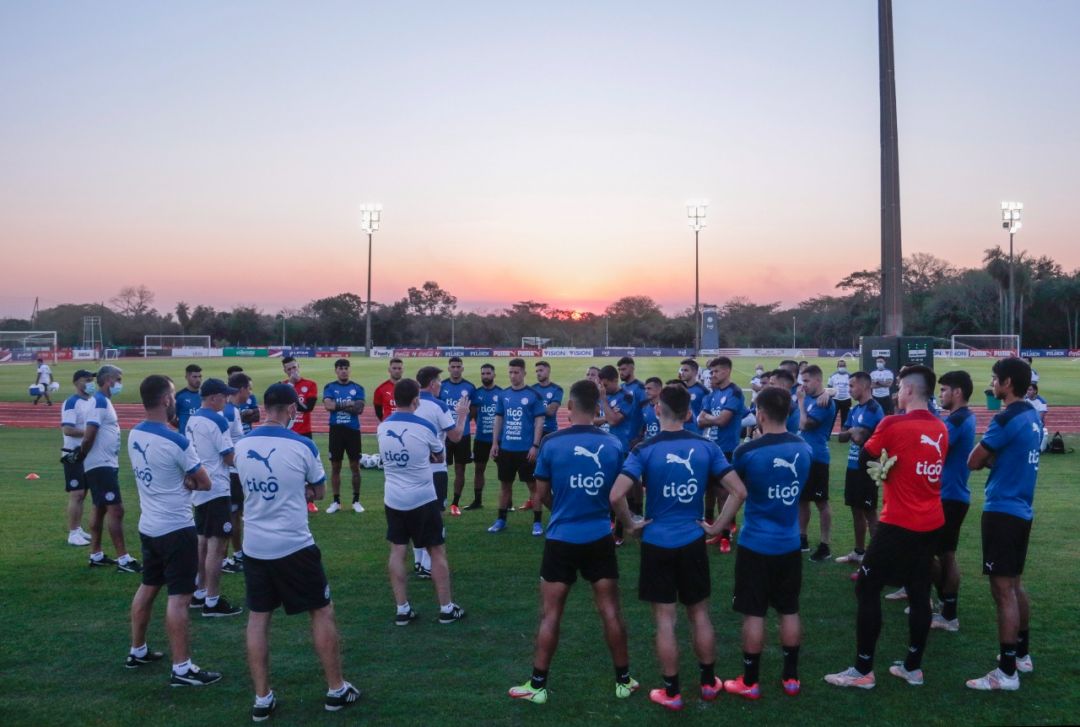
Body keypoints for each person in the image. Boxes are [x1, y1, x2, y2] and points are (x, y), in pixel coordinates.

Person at [610, 384, 747, 711]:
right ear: (689, 413)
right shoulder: (706, 446)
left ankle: (672, 692)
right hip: (692, 541)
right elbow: (739, 491)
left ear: (658, 410)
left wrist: (631, 524)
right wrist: (717, 526)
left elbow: (615, 495)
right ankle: (708, 683)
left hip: (657, 542)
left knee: (665, 620)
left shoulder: (644, 449)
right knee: (699, 614)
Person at [235, 383, 360, 720]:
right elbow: (319, 491)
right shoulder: (302, 445)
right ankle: (336, 689)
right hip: (294, 544)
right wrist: (297, 489)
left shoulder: (241, 445)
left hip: (255, 546)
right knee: (321, 610)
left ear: (265, 408)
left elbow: (245, 486)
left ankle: (262, 697)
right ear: (292, 409)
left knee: (259, 618)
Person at [508, 380, 638, 704]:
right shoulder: (612, 443)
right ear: (597, 408)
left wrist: (563, 509)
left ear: (569, 407)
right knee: (610, 610)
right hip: (599, 536)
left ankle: (538, 685)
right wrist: (626, 522)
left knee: (551, 614)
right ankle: (624, 681)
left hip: (561, 538)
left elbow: (541, 495)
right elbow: (618, 493)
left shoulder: (551, 443)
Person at [825, 365, 946, 689]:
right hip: (931, 520)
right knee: (919, 591)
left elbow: (866, 454)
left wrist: (885, 468)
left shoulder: (893, 423)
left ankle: (863, 670)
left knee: (866, 587)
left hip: (898, 522)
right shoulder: (940, 427)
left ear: (909, 390)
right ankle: (913, 668)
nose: (896, 394)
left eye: (899, 388)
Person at [708, 386, 810, 699]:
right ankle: (791, 678)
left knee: (754, 613)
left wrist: (717, 526)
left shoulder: (747, 451)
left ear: (760, 415)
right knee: (789, 609)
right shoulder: (803, 448)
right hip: (789, 543)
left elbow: (734, 492)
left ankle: (750, 682)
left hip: (756, 544)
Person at [126, 374, 222, 686]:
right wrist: (189, 481)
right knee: (179, 598)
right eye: (172, 395)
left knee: (148, 586)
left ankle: (137, 649)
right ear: (166, 400)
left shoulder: (134, 433)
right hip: (176, 528)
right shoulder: (177, 441)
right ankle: (182, 668)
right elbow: (205, 482)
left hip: (149, 526)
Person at [965, 357, 1041, 691]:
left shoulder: (1006, 417)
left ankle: (1007, 672)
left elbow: (973, 460)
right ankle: (1021, 655)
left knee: (1002, 590)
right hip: (1021, 509)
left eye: (995, 378)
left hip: (1002, 511)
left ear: (1008, 383)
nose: (992, 384)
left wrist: (988, 459)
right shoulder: (1031, 414)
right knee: (1015, 584)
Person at [377, 378, 466, 627]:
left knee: (397, 550)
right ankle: (446, 608)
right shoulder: (424, 426)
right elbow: (439, 454)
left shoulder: (383, 427)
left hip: (393, 498)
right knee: (436, 550)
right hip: (423, 498)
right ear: (416, 400)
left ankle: (402, 609)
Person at [65, 365, 140, 572]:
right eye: (119, 379)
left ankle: (96, 555)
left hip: (105, 463)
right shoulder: (99, 401)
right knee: (116, 509)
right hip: (101, 465)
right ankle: (123, 559)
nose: (120, 384)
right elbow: (89, 434)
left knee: (99, 509)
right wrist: (82, 454)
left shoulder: (101, 401)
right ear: (108, 381)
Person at [185, 378, 243, 617]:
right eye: (224, 396)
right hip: (217, 487)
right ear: (214, 397)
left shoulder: (192, 419)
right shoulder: (217, 420)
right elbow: (228, 456)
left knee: (202, 541)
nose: (227, 400)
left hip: (200, 487)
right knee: (216, 546)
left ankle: (199, 592)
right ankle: (212, 600)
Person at [931, 370, 976, 632]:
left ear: (957, 392)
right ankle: (945, 606)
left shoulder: (958, 420)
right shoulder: (961, 417)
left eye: (944, 390)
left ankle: (948, 614)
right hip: (949, 495)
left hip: (950, 497)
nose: (940, 395)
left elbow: (935, 448)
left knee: (942, 555)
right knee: (940, 553)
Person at [415, 366, 469, 577]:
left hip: (414, 469)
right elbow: (456, 436)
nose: (441, 385)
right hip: (436, 469)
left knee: (416, 514)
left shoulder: (410, 404)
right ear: (432, 384)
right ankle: (428, 565)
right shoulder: (439, 406)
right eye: (439, 381)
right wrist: (462, 415)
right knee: (435, 516)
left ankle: (419, 561)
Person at [488, 358, 547, 535]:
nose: (513, 376)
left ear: (524, 373)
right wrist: (495, 443)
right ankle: (501, 520)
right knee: (505, 486)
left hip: (526, 450)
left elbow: (539, 422)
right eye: (510, 372)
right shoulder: (503, 395)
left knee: (533, 487)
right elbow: (498, 419)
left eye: (516, 372)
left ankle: (537, 523)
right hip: (506, 449)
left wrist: (535, 445)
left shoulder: (534, 395)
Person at [834, 372, 884, 566]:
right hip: (853, 466)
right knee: (856, 510)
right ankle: (859, 551)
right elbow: (842, 437)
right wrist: (853, 431)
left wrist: (854, 432)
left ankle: (877, 557)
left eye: (852, 386)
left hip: (868, 468)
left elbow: (859, 438)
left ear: (864, 386)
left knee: (870, 512)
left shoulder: (873, 409)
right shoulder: (855, 409)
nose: (849, 390)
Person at [697, 357, 745, 552]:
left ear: (726, 371)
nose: (712, 375)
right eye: (711, 372)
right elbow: (700, 420)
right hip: (711, 449)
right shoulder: (712, 394)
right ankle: (715, 530)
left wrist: (710, 418)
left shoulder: (735, 392)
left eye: (716, 371)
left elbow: (723, 421)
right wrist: (713, 418)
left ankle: (725, 536)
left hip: (727, 450)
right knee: (710, 490)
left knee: (724, 494)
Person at [797, 365, 836, 562]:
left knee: (821, 502)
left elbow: (804, 424)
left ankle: (825, 545)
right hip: (803, 457)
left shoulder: (824, 402)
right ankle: (802, 538)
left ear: (818, 380)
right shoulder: (812, 397)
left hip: (817, 458)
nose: (803, 385)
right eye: (802, 381)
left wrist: (801, 402)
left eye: (806, 381)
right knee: (802, 500)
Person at [323, 359, 366, 514]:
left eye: (346, 368)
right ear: (336, 370)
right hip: (336, 431)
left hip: (353, 431)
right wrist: (349, 404)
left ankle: (356, 501)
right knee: (336, 467)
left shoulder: (358, 388)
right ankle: (336, 502)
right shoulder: (330, 387)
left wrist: (338, 406)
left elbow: (358, 409)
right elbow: (328, 406)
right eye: (341, 368)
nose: (344, 371)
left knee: (355, 466)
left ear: (349, 370)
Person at [60, 369, 96, 546]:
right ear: (76, 382)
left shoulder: (91, 402)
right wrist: (90, 432)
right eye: (86, 380)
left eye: (91, 380)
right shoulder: (72, 402)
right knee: (77, 494)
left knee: (83, 493)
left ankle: (78, 528)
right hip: (73, 454)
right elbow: (67, 429)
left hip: (86, 453)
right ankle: (73, 533)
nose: (90, 383)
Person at [222, 372, 253, 574]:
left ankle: (237, 553)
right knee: (231, 514)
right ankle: (224, 558)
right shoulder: (229, 412)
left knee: (236, 512)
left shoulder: (232, 410)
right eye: (249, 388)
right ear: (241, 389)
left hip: (234, 470)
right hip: (231, 472)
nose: (250, 393)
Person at [439, 357, 476, 516]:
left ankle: (455, 503)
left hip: (463, 435)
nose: (455, 369)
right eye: (453, 366)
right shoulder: (442, 386)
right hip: (444, 436)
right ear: (449, 368)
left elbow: (473, 410)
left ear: (462, 368)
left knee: (460, 469)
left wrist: (465, 420)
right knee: (441, 468)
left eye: (458, 366)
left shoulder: (470, 387)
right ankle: (441, 500)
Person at [282, 356, 319, 512]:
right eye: (289, 369)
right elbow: (280, 407)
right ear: (284, 370)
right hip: (286, 433)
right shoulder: (282, 386)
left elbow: (307, 408)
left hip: (304, 432)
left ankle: (309, 501)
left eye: (294, 367)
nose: (293, 371)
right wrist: (290, 386)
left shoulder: (310, 384)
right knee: (286, 467)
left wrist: (291, 393)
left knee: (307, 467)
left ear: (299, 367)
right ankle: (287, 500)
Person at [464, 363, 501, 511]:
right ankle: (477, 501)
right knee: (479, 469)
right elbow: (472, 415)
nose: (485, 376)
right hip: (480, 439)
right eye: (483, 374)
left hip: (498, 440)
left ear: (494, 375)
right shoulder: (476, 393)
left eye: (488, 373)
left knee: (503, 470)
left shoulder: (501, 393)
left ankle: (508, 502)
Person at [532, 360, 564, 444]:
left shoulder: (557, 389)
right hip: (534, 430)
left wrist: (534, 407)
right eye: (537, 371)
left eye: (541, 370)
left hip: (550, 431)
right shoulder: (532, 389)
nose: (538, 373)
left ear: (548, 371)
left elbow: (551, 411)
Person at [677, 359, 708, 434]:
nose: (682, 373)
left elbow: (707, 413)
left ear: (695, 372)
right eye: (682, 370)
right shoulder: (679, 389)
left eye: (686, 370)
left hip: (696, 432)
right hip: (681, 431)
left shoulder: (703, 391)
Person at [227, 365, 261, 433]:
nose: (250, 392)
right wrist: (243, 416)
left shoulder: (250, 396)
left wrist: (250, 412)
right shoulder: (224, 400)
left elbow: (257, 416)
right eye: (249, 389)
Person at [174, 364, 203, 433]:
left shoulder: (205, 395)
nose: (198, 380)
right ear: (187, 377)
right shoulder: (179, 396)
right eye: (194, 377)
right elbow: (171, 417)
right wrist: (182, 426)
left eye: (200, 376)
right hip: (185, 437)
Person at [828, 359, 853, 433]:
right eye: (840, 365)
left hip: (846, 399)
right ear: (837, 366)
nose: (842, 367)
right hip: (835, 400)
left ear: (846, 366)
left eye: (843, 365)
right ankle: (828, 434)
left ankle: (843, 434)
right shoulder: (833, 376)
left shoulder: (850, 376)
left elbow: (853, 386)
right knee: (832, 418)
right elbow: (829, 387)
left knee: (845, 419)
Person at [637, 377, 663, 442]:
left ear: (659, 390)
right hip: (648, 444)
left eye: (649, 388)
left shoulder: (666, 408)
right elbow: (643, 428)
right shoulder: (644, 407)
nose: (646, 391)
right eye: (645, 389)